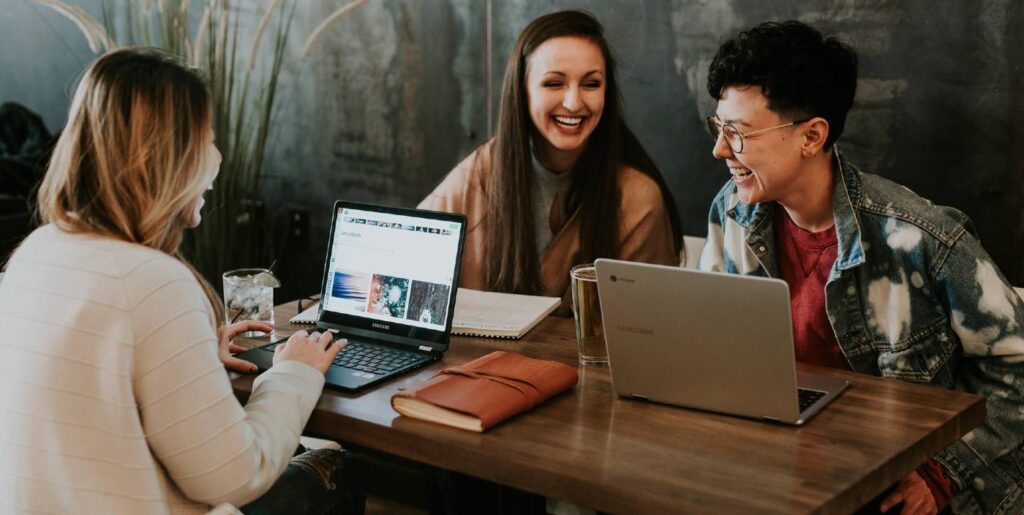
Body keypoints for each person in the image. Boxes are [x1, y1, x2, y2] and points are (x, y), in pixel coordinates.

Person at [0, 48, 362, 514]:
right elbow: (235, 477)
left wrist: (192, 356)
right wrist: (295, 373)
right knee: (338, 468)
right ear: (162, 157)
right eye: (206, 140)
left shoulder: (34, 253)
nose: (218, 156)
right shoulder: (153, 281)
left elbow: (87, 398)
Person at [698, 21, 1024, 514]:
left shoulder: (920, 238)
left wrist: (941, 474)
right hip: (789, 471)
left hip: (900, 485)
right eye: (718, 127)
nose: (721, 150)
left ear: (812, 136)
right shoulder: (733, 212)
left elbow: (1017, 368)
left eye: (738, 134)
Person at [419, 10, 682, 313]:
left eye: (591, 84)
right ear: (522, 91)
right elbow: (407, 258)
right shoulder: (481, 171)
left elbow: (650, 326)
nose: (573, 102)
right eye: (554, 84)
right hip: (478, 359)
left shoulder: (638, 198)